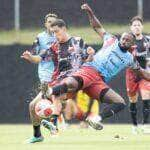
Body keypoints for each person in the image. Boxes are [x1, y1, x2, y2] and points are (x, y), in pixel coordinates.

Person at [42, 3, 150, 131]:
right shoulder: (111, 40)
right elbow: (97, 26)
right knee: (70, 85)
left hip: (99, 81)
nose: (124, 41)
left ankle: (96, 119)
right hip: (90, 70)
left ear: (132, 45)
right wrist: (90, 12)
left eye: (127, 40)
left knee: (120, 103)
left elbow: (143, 74)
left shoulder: (130, 59)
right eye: (123, 38)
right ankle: (50, 92)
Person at [21, 13, 58, 143]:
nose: (51, 24)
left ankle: (52, 125)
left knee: (52, 102)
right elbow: (35, 56)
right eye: (49, 22)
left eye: (54, 22)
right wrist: (29, 56)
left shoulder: (61, 38)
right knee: (34, 106)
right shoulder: (40, 37)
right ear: (45, 24)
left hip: (56, 77)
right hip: (44, 78)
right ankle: (42, 131)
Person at [126, 16, 150, 134]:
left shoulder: (148, 40)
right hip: (131, 74)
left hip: (144, 73)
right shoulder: (127, 40)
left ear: (142, 27)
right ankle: (134, 126)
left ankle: (146, 125)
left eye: (139, 25)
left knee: (146, 97)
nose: (136, 27)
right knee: (133, 100)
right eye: (134, 25)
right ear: (131, 27)